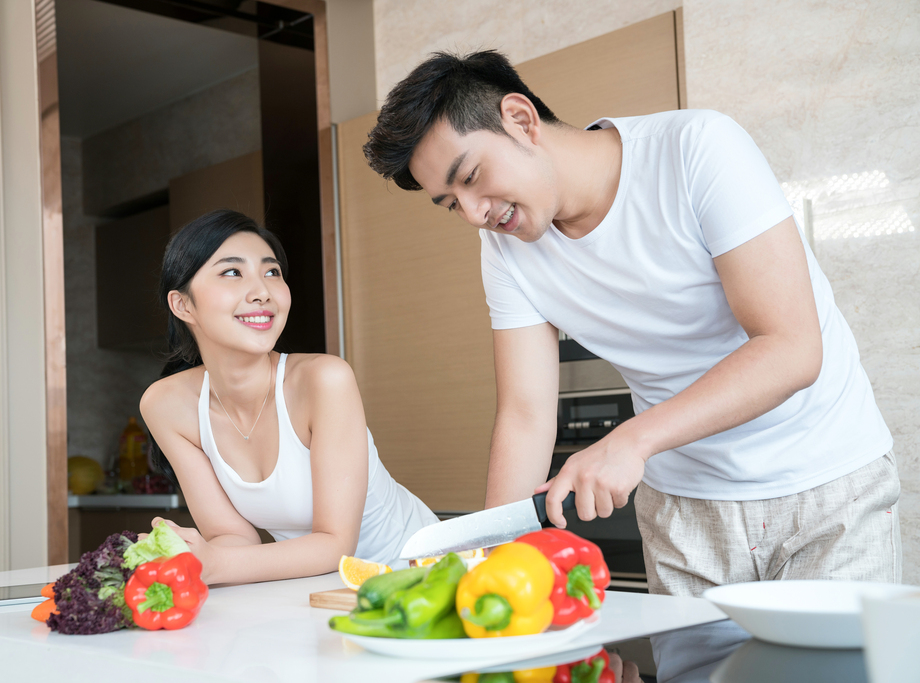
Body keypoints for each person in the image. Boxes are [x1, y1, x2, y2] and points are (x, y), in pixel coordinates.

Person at [363, 50, 900, 604]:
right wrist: (497, 566)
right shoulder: (503, 249)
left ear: (521, 120)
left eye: (472, 177)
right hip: (684, 511)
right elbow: (525, 415)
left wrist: (631, 442)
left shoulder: (697, 148)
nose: (475, 213)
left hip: (825, 485)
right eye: (452, 203)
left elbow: (790, 347)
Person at [139, 209, 438, 585]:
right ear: (183, 305)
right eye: (232, 272)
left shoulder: (324, 380)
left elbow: (335, 545)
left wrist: (213, 564)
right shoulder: (166, 406)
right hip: (319, 588)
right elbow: (232, 537)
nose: (262, 291)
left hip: (422, 573)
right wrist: (191, 552)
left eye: (272, 272)